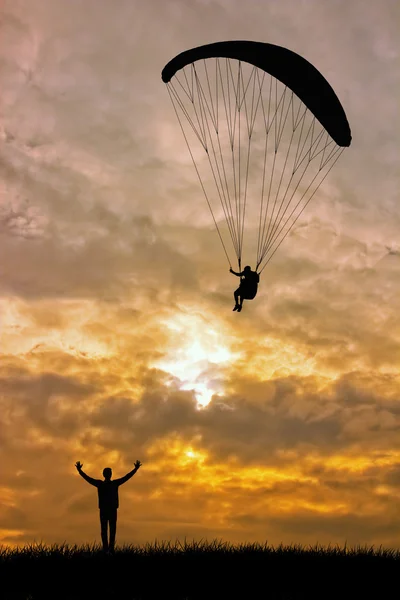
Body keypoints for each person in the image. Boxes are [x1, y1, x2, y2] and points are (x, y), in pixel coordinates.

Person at [75, 459, 142, 554]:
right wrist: (135, 469)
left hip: (110, 510)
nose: (109, 474)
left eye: (109, 472)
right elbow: (126, 477)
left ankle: (109, 549)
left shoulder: (108, 484)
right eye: (108, 472)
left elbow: (126, 477)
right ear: (107, 474)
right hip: (107, 510)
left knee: (109, 530)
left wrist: (135, 469)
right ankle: (107, 549)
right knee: (107, 530)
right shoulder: (107, 484)